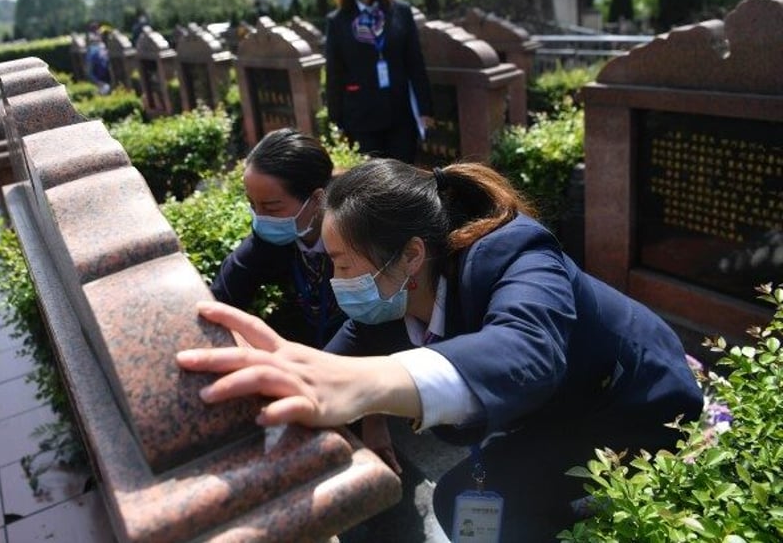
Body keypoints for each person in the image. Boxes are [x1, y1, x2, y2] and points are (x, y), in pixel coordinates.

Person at [179, 158, 703, 540]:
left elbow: (526, 352)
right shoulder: (388, 302)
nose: (335, 281)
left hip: (632, 406)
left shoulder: (516, 253)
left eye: (342, 264)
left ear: (409, 256)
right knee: (466, 504)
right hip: (550, 409)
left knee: (487, 506)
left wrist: (365, 386)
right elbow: (324, 372)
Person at [209, 128, 345, 349]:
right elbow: (221, 298)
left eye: (271, 207)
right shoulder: (268, 240)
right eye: (252, 204)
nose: (260, 218)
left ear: (317, 199)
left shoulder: (357, 236)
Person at [325, 0, 434, 164]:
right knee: (373, 189)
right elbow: (335, 74)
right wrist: (336, 121)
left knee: (403, 182)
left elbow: (415, 63)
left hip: (401, 116)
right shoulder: (337, 22)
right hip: (361, 120)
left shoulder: (401, 12)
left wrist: (426, 110)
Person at [85, 24, 111, 95]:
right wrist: (99, 83)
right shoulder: (92, 50)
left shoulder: (103, 47)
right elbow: (89, 71)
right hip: (102, 82)